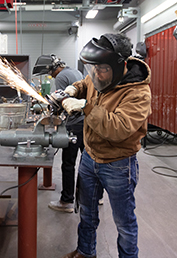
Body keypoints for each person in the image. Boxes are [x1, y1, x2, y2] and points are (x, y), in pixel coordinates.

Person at [60, 33, 152, 258]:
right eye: (93, 68)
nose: (95, 74)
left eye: (101, 69)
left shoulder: (138, 92)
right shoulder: (99, 75)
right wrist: (74, 89)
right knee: (87, 214)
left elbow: (118, 128)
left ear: (120, 65)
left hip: (118, 165)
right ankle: (85, 252)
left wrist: (85, 107)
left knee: (124, 224)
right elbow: (86, 83)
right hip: (90, 158)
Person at [32, 54, 85, 213]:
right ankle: (93, 197)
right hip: (86, 122)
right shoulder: (75, 72)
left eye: (49, 73)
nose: (50, 76)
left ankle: (67, 201)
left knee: (68, 164)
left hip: (74, 124)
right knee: (87, 163)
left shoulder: (61, 77)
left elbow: (60, 103)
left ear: (53, 69)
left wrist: (50, 111)